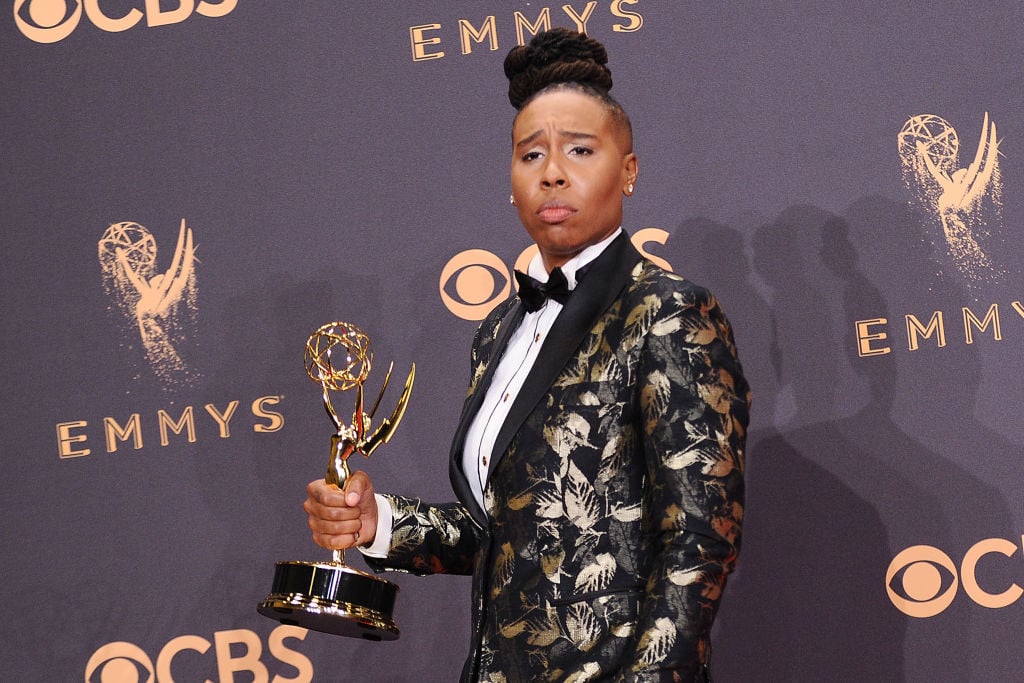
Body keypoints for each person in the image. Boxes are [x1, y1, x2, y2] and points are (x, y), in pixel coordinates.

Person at [305, 28, 750, 682]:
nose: (552, 172)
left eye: (580, 149)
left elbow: (699, 541)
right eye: (531, 153)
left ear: (629, 170)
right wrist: (379, 523)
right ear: (511, 180)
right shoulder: (499, 332)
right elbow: (511, 532)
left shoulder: (667, 312)